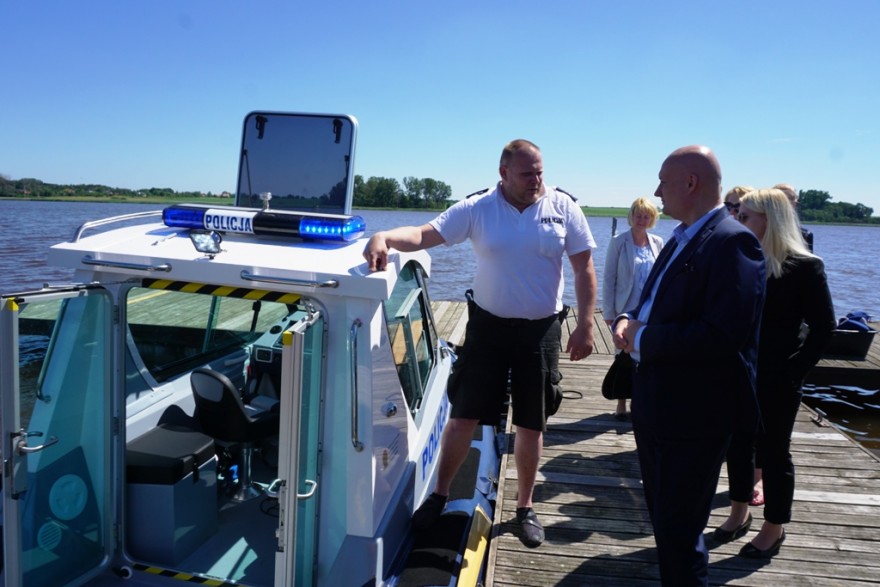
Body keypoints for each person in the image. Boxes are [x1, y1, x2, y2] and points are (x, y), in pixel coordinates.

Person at [362, 139, 598, 548]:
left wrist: (587, 324)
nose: (536, 180)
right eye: (527, 174)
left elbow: (584, 268)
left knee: (531, 423)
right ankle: (440, 495)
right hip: (487, 329)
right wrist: (384, 236)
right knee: (463, 416)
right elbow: (424, 234)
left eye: (540, 172)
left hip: (540, 331)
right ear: (503, 173)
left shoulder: (563, 207)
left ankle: (524, 507)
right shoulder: (478, 207)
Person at [612, 145, 766, 586]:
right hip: (656, 405)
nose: (658, 192)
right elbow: (651, 301)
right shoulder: (681, 238)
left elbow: (722, 335)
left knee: (680, 531)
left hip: (693, 415)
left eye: (663, 181)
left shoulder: (732, 241)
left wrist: (642, 337)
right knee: (665, 522)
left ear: (691, 183)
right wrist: (627, 317)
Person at [712, 188, 835, 558]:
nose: (737, 221)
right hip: (739, 370)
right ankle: (738, 512)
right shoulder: (744, 259)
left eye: (744, 216)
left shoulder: (805, 266)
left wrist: (795, 371)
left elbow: (824, 327)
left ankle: (774, 527)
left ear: (770, 220)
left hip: (779, 376)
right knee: (738, 444)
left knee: (775, 451)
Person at [602, 197, 664, 420]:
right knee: (623, 354)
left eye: (647, 216)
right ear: (631, 216)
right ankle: (621, 401)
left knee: (645, 353)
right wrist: (609, 313)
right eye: (638, 215)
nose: (642, 219)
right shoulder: (619, 242)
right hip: (625, 308)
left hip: (649, 309)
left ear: (652, 219)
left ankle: (639, 401)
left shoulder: (658, 242)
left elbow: (662, 276)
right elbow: (609, 278)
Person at [773, 182, 814, 251]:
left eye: (791, 198)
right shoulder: (760, 230)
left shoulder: (805, 235)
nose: (786, 201)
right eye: (782, 198)